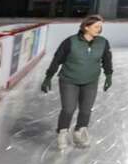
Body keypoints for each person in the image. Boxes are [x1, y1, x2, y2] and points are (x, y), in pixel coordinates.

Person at [41, 15, 113, 150]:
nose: (99, 29)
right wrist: (48, 77)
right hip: (69, 80)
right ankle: (62, 132)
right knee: (68, 109)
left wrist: (109, 75)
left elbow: (107, 59)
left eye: (100, 26)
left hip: (90, 81)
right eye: (96, 26)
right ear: (86, 27)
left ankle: (79, 132)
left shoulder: (102, 42)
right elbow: (57, 60)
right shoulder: (70, 42)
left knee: (86, 110)